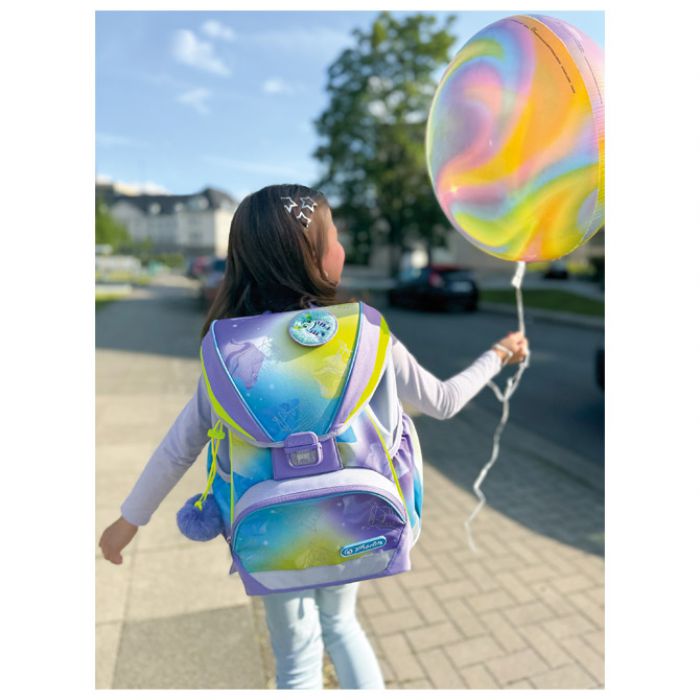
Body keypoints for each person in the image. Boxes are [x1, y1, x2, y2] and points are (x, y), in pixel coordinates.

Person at [98, 183, 529, 690]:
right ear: (313, 257)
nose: (342, 247)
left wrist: (130, 520)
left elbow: (179, 449)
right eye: (335, 237)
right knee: (342, 625)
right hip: (354, 520)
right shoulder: (366, 333)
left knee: (297, 658)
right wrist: (499, 355)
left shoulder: (228, 352)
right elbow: (444, 401)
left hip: (270, 533)